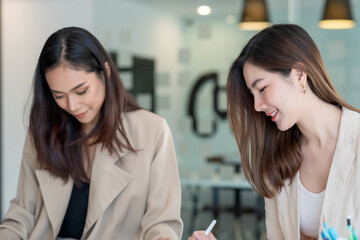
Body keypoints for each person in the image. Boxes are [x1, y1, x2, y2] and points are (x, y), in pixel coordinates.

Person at [0, 27, 183, 240]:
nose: (72, 105)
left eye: (81, 91)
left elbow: (161, 223)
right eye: (59, 95)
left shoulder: (152, 131)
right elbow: (22, 213)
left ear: (106, 72)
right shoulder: (42, 132)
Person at [189, 23, 360, 240]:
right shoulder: (279, 159)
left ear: (299, 75)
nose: (257, 105)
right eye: (252, 94)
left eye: (262, 89)